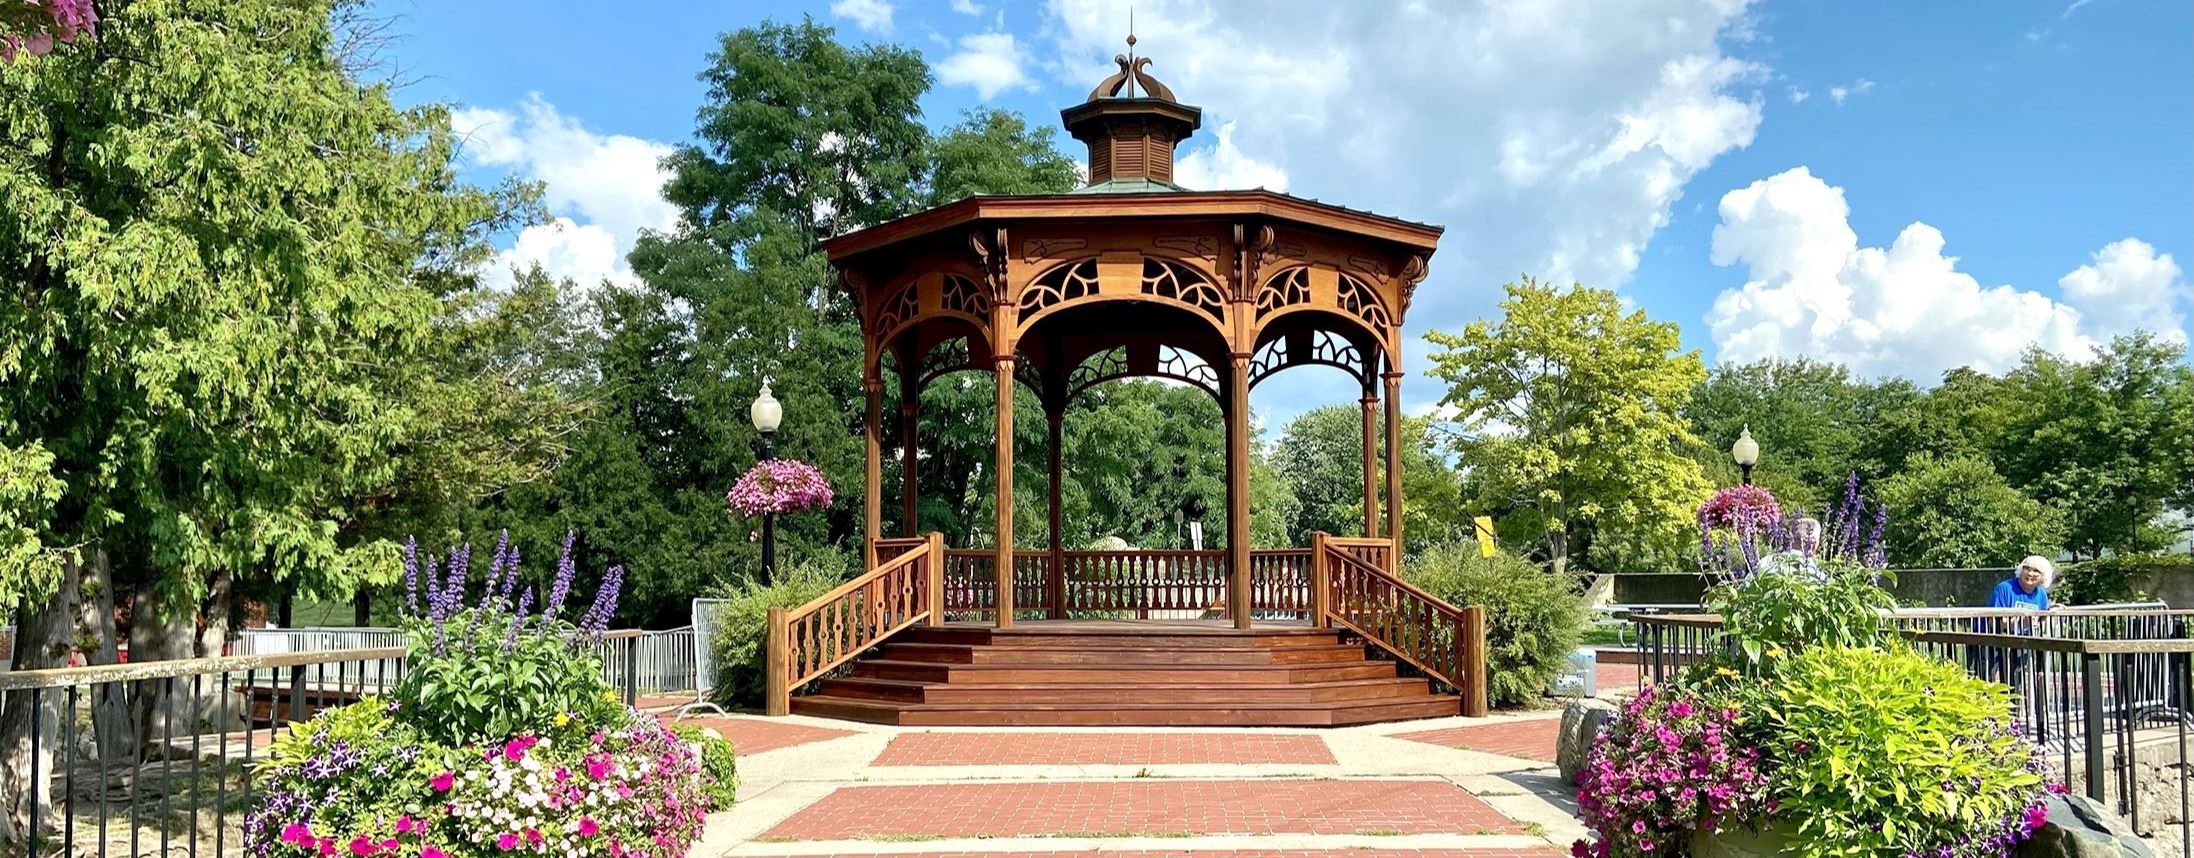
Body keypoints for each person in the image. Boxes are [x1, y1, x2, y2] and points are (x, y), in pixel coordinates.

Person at [1988, 556, 2054, 612]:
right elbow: (1993, 621)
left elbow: (2042, 621)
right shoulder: (2004, 588)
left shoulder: (2041, 594)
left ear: (2043, 577)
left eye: (2036, 571)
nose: (2030, 574)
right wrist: (2021, 621)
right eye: (2027, 568)